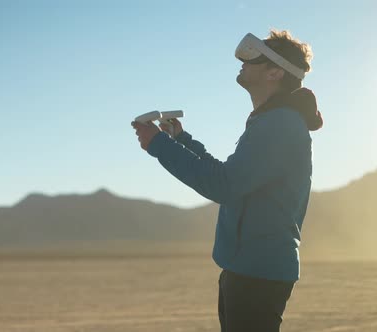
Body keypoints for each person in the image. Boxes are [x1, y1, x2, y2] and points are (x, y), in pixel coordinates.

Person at [131, 29, 323, 332]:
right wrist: (180, 141)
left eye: (253, 58)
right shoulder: (272, 120)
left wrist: (159, 145)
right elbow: (231, 178)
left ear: (275, 72)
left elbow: (223, 186)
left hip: (258, 272)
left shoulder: (280, 123)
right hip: (247, 269)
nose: (243, 62)